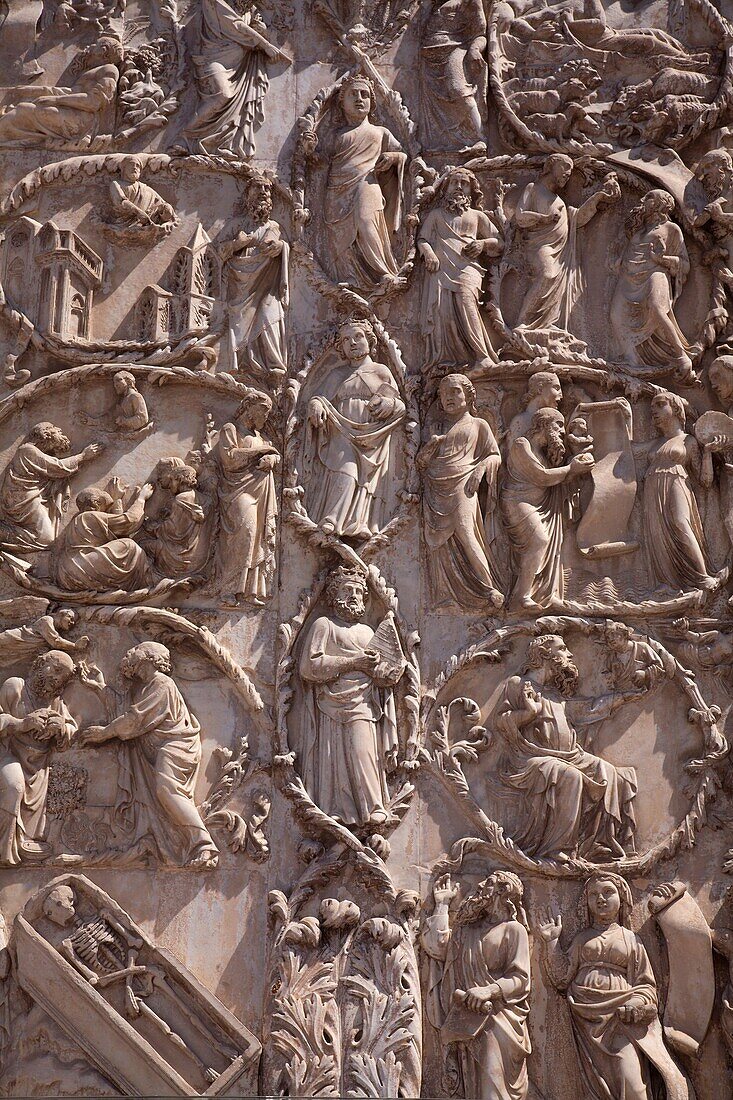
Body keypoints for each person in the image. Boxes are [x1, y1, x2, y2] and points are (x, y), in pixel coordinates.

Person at [538, 872, 693, 1100]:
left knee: (633, 1085)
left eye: (608, 892)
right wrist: (551, 942)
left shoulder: (631, 939)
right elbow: (561, 977)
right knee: (594, 1083)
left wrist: (636, 1002)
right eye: (593, 895)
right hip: (586, 1018)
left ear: (622, 898)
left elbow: (646, 985)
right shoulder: (581, 939)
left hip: (621, 1020)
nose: (600, 899)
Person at [491, 635, 637, 861]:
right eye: (563, 648)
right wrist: (529, 713)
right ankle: (558, 848)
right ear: (544, 654)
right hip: (530, 758)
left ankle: (598, 843)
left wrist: (621, 698)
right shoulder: (518, 684)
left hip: (569, 756)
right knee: (570, 777)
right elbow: (502, 723)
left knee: (608, 772)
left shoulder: (555, 694)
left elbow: (585, 710)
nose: (569, 654)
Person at [80, 642, 218, 869]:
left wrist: (104, 733)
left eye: (135, 650)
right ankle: (181, 842)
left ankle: (204, 845)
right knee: (162, 795)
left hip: (176, 746)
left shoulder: (162, 683)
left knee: (166, 789)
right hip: (158, 750)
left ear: (148, 657)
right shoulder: (144, 687)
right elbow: (127, 711)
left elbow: (135, 720)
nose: (129, 652)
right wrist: (99, 688)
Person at [298, 565, 398, 830]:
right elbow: (309, 667)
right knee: (333, 757)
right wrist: (354, 662)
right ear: (334, 595)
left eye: (358, 591)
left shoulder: (367, 632)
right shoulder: (325, 625)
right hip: (331, 702)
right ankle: (335, 811)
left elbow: (380, 672)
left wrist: (387, 669)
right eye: (347, 590)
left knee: (362, 751)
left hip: (363, 703)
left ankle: (373, 807)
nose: (353, 596)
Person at [422, 871, 531, 1100]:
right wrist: (441, 905)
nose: (480, 885)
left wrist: (488, 991)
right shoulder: (467, 930)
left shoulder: (513, 929)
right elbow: (438, 947)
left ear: (503, 891)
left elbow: (521, 979)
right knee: (468, 1089)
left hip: (498, 1020)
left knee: (492, 1088)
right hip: (466, 1019)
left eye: (489, 883)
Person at [305, 319, 406, 540]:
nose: (352, 343)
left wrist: (389, 404)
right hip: (341, 429)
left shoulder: (381, 371)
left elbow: (399, 404)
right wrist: (316, 404)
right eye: (346, 340)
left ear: (370, 340)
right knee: (345, 468)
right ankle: (332, 518)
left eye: (358, 337)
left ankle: (357, 522)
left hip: (372, 434)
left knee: (365, 477)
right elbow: (320, 397)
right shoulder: (336, 375)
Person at [418, 373, 503, 609]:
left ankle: (490, 588)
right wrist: (431, 445)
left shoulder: (478, 425)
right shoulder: (435, 426)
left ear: (468, 395)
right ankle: (443, 596)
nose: (449, 398)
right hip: (436, 486)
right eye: (444, 394)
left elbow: (494, 455)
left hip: (463, 485)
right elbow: (421, 462)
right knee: (435, 544)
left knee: (466, 531)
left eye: (455, 391)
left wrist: (480, 470)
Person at [512, 154, 619, 332]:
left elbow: (578, 219)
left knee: (554, 282)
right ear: (551, 166)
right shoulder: (533, 189)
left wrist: (598, 197)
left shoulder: (559, 201)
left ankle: (546, 324)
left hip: (561, 254)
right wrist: (544, 218)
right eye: (565, 167)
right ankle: (522, 322)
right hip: (539, 246)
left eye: (570, 172)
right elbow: (520, 217)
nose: (568, 174)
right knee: (547, 275)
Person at [502, 407, 593, 609]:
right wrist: (571, 468)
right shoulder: (521, 444)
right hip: (519, 502)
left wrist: (577, 465)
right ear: (543, 424)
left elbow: (556, 479)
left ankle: (544, 594)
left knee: (551, 547)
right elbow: (541, 477)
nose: (562, 430)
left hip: (541, 505)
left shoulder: (543, 455)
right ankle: (519, 597)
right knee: (539, 541)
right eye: (558, 424)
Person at [325, 74, 407, 291]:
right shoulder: (336, 135)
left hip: (367, 183)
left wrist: (394, 158)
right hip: (337, 191)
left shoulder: (380, 133)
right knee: (341, 236)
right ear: (342, 102)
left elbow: (405, 156)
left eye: (365, 95)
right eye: (353, 94)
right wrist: (308, 149)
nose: (359, 99)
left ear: (372, 103)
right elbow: (320, 162)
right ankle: (350, 275)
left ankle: (383, 271)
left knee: (366, 220)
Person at [418, 167, 502, 374]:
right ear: (445, 189)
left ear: (471, 190)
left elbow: (499, 242)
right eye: (454, 182)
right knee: (443, 312)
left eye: (463, 184)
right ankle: (450, 359)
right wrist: (428, 253)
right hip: (441, 269)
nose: (458, 187)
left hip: (467, 268)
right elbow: (422, 239)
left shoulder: (477, 216)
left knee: (467, 302)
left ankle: (482, 357)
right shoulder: (436, 215)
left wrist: (483, 244)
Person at [182, 0, 290, 159]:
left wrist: (264, 31)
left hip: (240, 67)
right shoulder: (214, 2)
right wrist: (265, 44)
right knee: (222, 95)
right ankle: (184, 136)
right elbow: (236, 25)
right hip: (214, 60)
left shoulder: (249, 10)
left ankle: (222, 144)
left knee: (237, 109)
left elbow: (257, 28)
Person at [0, 651, 78, 866]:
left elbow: (72, 727)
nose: (57, 678)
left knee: (30, 810)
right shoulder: (15, 687)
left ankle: (24, 844)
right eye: (56, 669)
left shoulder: (54, 701)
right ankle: (5, 852)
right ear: (41, 664)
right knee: (14, 786)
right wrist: (22, 724)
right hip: (7, 753)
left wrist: (61, 728)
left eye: (62, 676)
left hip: (38, 763)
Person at [611, 190, 694, 380]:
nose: (642, 200)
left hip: (655, 274)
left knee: (658, 309)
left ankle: (682, 356)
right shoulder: (638, 231)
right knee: (615, 314)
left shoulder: (671, 229)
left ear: (661, 204)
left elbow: (685, 265)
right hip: (629, 278)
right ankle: (632, 360)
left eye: (649, 198)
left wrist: (662, 259)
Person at [642, 390, 718, 594]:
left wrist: (708, 453)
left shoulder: (688, 441)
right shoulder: (656, 443)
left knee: (680, 523)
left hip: (676, 481)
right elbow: (629, 448)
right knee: (657, 533)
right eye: (651, 409)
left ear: (675, 408)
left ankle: (702, 577)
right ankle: (668, 582)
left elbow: (705, 481)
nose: (654, 412)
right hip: (652, 487)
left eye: (660, 405)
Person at [218, 173, 289, 379]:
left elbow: (286, 247)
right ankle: (243, 368)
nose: (263, 193)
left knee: (270, 315)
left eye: (267, 189)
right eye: (258, 188)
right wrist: (236, 245)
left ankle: (273, 370)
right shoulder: (236, 225)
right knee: (240, 327)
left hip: (267, 285)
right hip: (239, 289)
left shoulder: (274, 227)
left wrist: (280, 247)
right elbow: (216, 253)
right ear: (247, 194)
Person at [213, 391, 279, 606]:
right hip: (238, 491)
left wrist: (271, 457)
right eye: (264, 411)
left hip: (261, 492)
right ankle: (227, 589)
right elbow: (230, 459)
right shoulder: (230, 429)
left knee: (257, 538)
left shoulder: (260, 437)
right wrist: (262, 451)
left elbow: (272, 454)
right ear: (250, 407)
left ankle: (250, 590)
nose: (266, 417)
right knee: (245, 531)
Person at [0, 423, 102, 554]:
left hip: (30, 498)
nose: (61, 432)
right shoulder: (27, 450)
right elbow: (57, 467)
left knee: (45, 538)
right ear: (47, 434)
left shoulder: (34, 452)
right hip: (22, 500)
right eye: (57, 431)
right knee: (45, 539)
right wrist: (83, 456)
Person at [0, 38, 122, 147]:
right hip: (74, 114)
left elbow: (94, 102)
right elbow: (69, 92)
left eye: (95, 44)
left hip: (83, 122)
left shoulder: (109, 69)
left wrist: (55, 100)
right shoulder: (93, 72)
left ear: (103, 50)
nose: (90, 46)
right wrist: (32, 91)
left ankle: (19, 139)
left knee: (24, 110)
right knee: (22, 108)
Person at [53, 485, 153, 593]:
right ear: (96, 503)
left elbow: (119, 533)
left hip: (66, 573)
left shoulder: (78, 520)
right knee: (130, 546)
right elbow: (129, 521)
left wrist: (117, 501)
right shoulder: (88, 516)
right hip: (81, 566)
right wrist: (141, 498)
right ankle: (146, 583)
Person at [420, 0, 487, 153]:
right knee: (431, 99)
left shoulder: (469, 1)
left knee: (458, 88)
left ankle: (481, 136)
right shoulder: (433, 4)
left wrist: (475, 49)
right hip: (429, 59)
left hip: (456, 49)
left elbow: (480, 32)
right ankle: (443, 141)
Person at [145, 463, 212, 579]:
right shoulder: (205, 499)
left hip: (180, 557)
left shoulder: (181, 499)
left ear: (180, 480)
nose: (170, 485)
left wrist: (153, 526)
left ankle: (153, 580)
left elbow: (174, 532)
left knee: (144, 545)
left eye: (172, 481)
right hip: (201, 557)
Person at [106, 158, 175, 230]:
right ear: (123, 168)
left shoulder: (146, 189)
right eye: (131, 164)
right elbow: (121, 201)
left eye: (138, 166)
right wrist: (139, 213)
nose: (135, 167)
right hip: (122, 224)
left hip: (145, 226)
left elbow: (161, 203)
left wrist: (168, 208)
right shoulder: (116, 184)